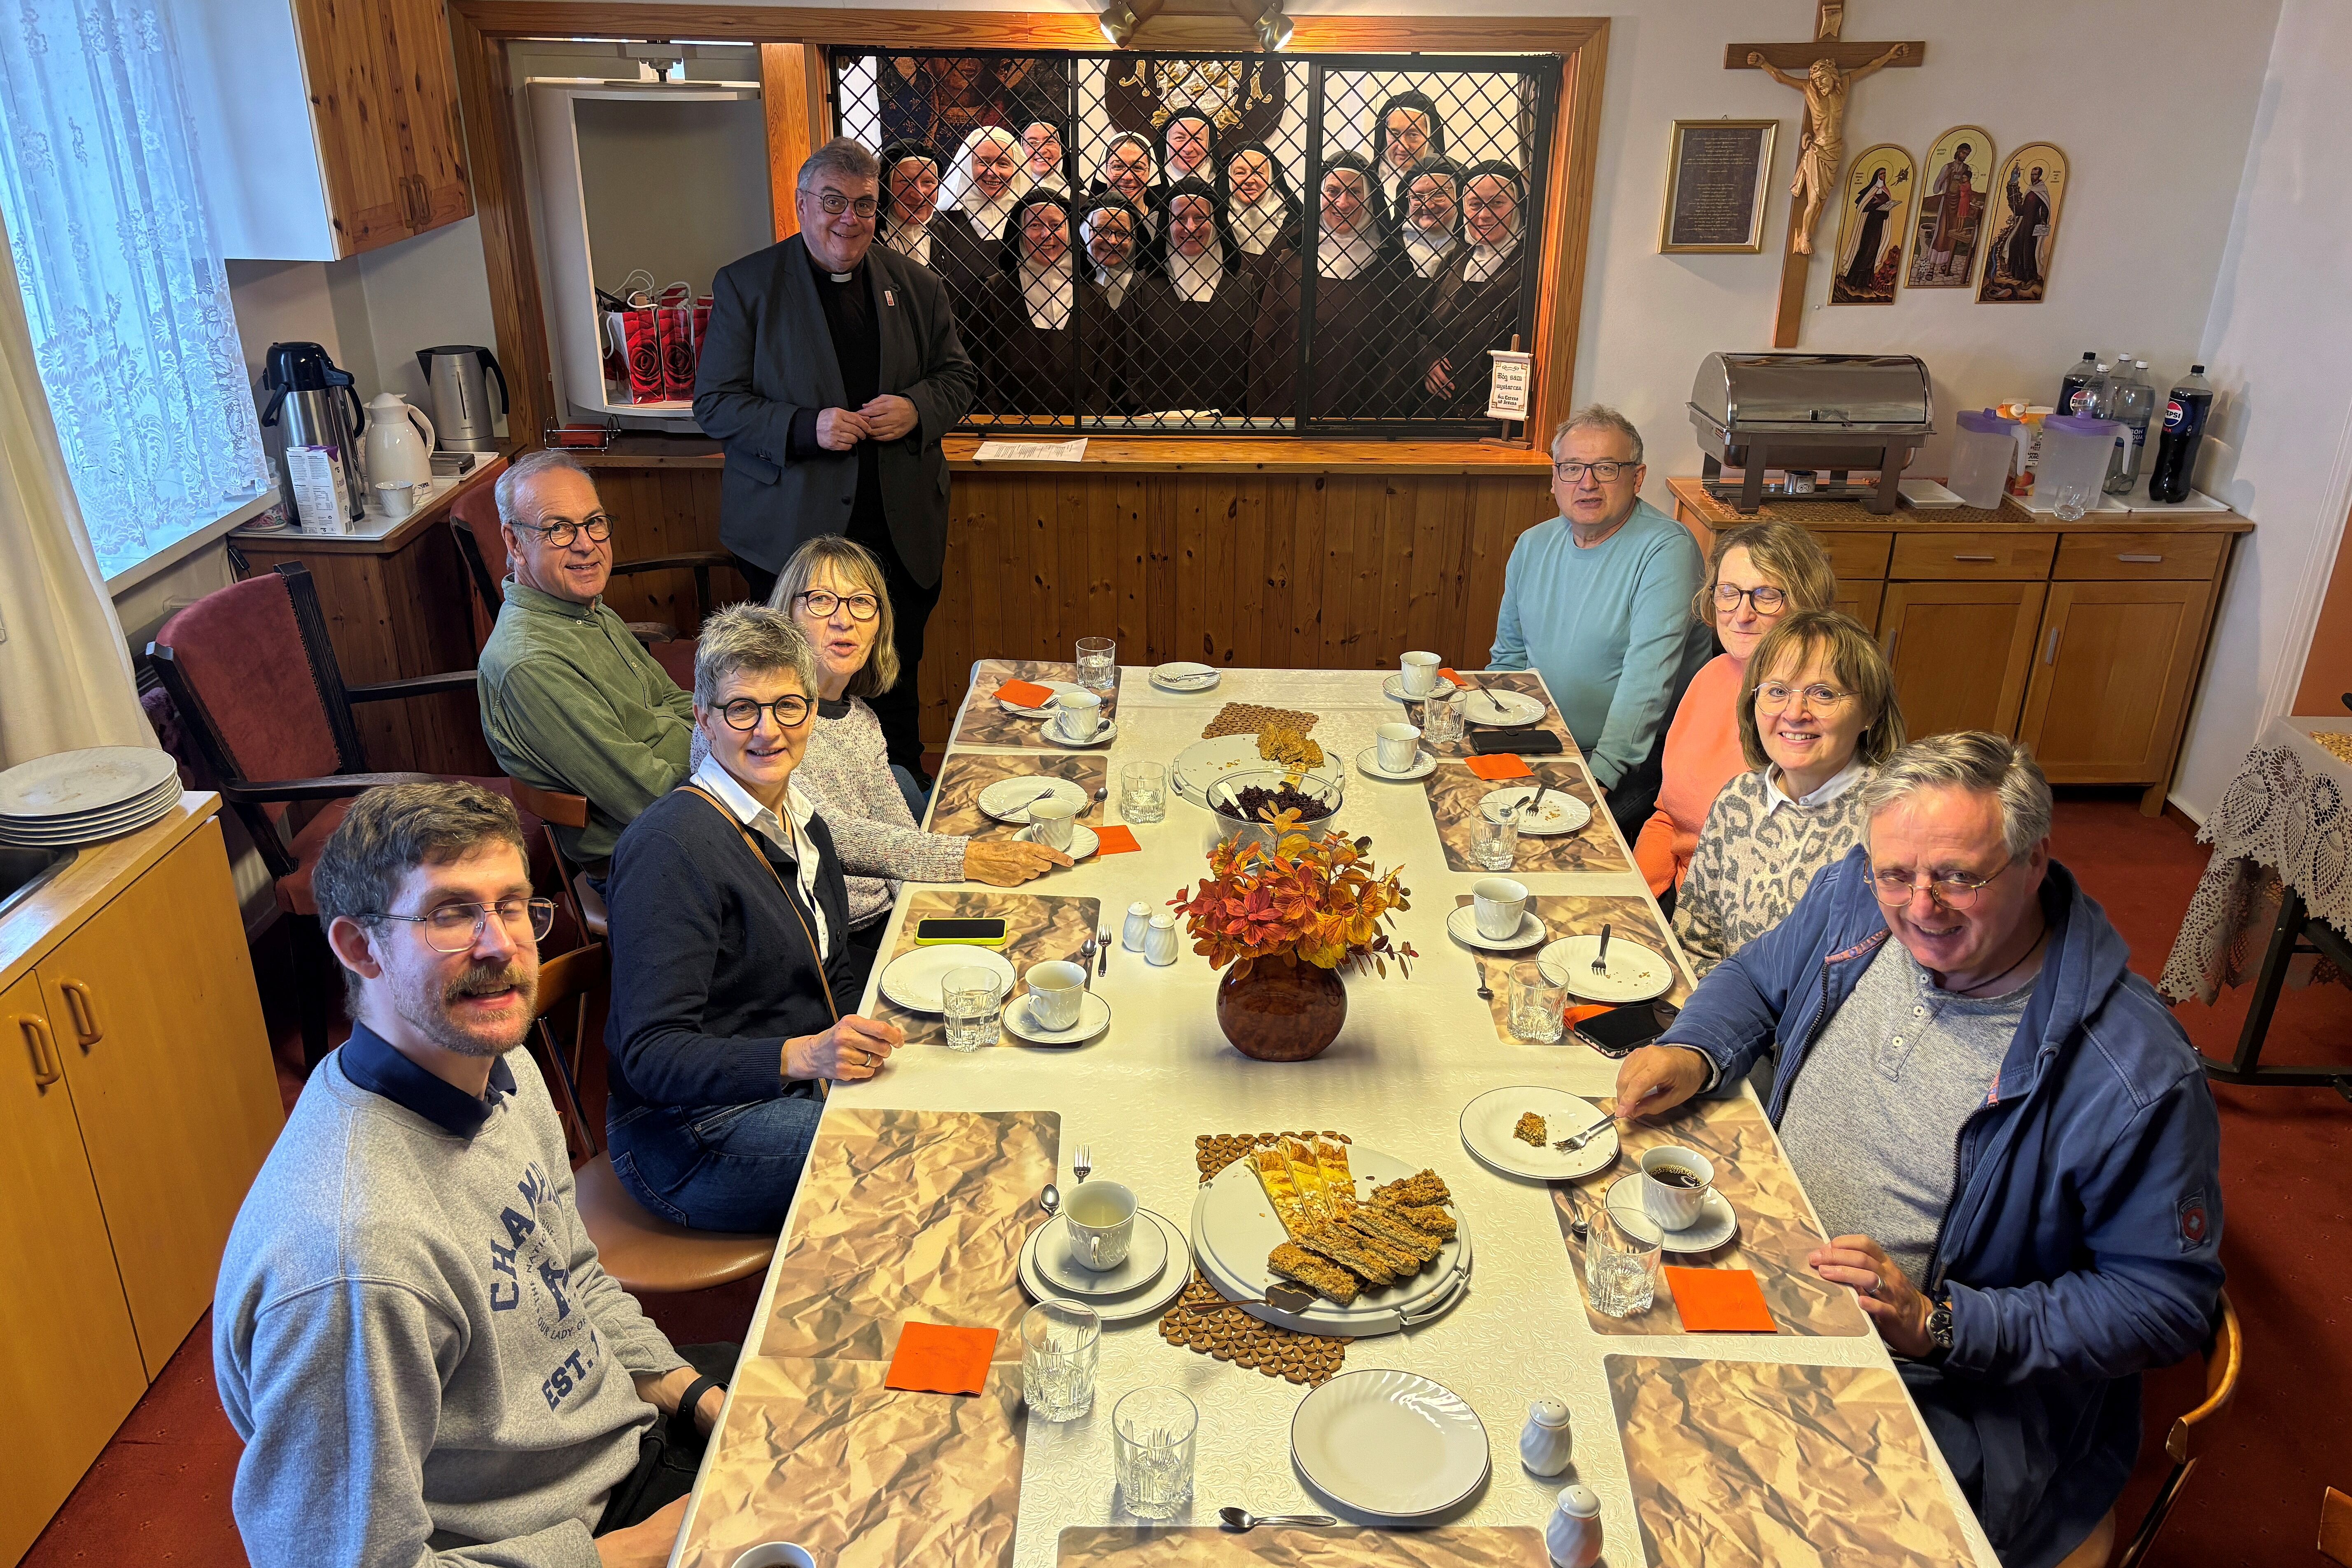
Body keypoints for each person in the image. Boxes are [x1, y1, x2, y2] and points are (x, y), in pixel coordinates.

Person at [1614, 733, 2224, 1568]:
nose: (1919, 905)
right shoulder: (1858, 897)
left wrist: (1943, 1321)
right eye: (1896, 872)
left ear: (2035, 861)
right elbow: (1758, 977)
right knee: (1598, 1391)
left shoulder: (2134, 1070)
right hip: (1758, 1263)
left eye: (1960, 876)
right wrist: (1696, 1050)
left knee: (1711, 1517)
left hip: (1944, 1383)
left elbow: (2164, 1300)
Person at [216, 781, 734, 1568]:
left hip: (622, 1429)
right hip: (573, 1537)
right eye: (450, 913)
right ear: (359, 948)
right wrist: (637, 1550)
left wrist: (691, 1392)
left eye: (515, 904)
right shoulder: (352, 1262)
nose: (500, 945)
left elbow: (572, 1272)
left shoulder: (497, 1060)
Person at [603, 606, 904, 1234]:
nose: (768, 730)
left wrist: (868, 1036)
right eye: (743, 709)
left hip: (786, 1090)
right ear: (704, 721)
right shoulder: (671, 848)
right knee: (906, 1157)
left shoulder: (804, 821)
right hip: (687, 1134)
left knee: (943, 1105)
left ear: (813, 715)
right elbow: (651, 1056)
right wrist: (805, 1056)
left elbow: (832, 977)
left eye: (788, 706)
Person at [693, 138, 976, 781]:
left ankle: (902, 794)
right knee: (791, 690)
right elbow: (714, 404)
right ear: (801, 205)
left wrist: (916, 409)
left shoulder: (919, 285)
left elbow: (959, 379)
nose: (849, 219)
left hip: (896, 533)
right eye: (833, 203)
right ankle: (801, 811)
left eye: (865, 205)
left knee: (895, 681)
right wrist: (803, 425)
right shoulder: (747, 286)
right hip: (790, 536)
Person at [770, 534, 1069, 975]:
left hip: (887, 922)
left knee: (1041, 925)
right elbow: (826, 831)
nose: (843, 620)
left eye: (861, 603)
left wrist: (919, 917)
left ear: (880, 624)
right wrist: (966, 860)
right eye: (820, 600)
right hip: (825, 945)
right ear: (786, 616)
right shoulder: (767, 721)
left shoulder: (861, 719)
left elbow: (897, 836)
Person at [1490, 407, 1710, 840]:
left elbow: (1648, 682)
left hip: (1635, 761)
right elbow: (1509, 659)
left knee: (1540, 844)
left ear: (1638, 477)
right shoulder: (1532, 545)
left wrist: (1598, 777)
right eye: (1572, 468)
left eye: (1605, 468)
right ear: (1554, 478)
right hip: (1546, 745)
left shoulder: (1667, 549)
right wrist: (1505, 743)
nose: (1586, 483)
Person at [476, 449, 693, 878]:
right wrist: (747, 788)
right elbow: (644, 796)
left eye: (594, 522)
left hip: (701, 790)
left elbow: (673, 699)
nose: (586, 544)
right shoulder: (530, 664)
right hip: (657, 853)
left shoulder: (581, 607)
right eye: (559, 529)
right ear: (515, 543)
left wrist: (737, 741)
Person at [1671, 610, 1905, 975]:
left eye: (1823, 694)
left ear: (1870, 713)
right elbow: (1695, 943)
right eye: (1777, 691)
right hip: (1722, 1017)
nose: (1795, 712)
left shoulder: (1891, 823)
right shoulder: (1737, 801)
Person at [1634, 519, 1836, 900]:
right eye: (1729, 592)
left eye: (1766, 595)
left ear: (1806, 601)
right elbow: (1668, 813)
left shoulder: (1813, 712)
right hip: (1677, 890)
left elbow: (1786, 881)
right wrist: (1630, 899)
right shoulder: (1713, 675)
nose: (1742, 614)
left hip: (1740, 911)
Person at [1248, 151, 1406, 420]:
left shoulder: (1390, 272)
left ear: (1370, 199)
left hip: (1359, 429)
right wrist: (1266, 422)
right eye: (1332, 191)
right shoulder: (1289, 263)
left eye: (1354, 192)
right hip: (1284, 421)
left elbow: (1395, 360)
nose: (1342, 203)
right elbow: (1263, 347)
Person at [1126, 177, 1255, 421]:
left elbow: (1252, 367)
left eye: (1200, 218)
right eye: (1180, 219)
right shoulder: (1143, 287)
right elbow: (1132, 366)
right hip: (1155, 429)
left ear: (1215, 222)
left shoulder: (1242, 287)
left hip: (1231, 430)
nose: (1190, 227)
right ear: (1167, 224)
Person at [1420, 159, 1527, 418]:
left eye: (1497, 203)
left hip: (1494, 418)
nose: (1484, 215)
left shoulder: (1530, 265)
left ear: (1519, 207)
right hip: (1430, 411)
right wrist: (1426, 359)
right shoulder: (1455, 259)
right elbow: (1417, 326)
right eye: (1475, 204)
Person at [974, 189, 1087, 414]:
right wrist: (1001, 424)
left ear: (1071, 232)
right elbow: (982, 368)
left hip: (1086, 429)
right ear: (1020, 232)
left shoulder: (1093, 296)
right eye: (1035, 225)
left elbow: (1106, 374)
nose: (1046, 234)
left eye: (1056, 225)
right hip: (1011, 431)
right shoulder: (996, 293)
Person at [878, 139, 991, 301]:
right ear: (886, 186)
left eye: (928, 182)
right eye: (906, 181)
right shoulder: (872, 237)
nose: (918, 194)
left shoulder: (940, 230)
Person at [1076, 193, 1146, 415]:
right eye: (1102, 231)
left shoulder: (1149, 290)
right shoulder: (1068, 287)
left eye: (1122, 233)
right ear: (1084, 234)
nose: (1112, 241)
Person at [1220, 139, 1299, 299]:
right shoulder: (1215, 225)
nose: (1249, 180)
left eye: (1258, 172)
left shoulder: (1296, 231)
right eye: (1240, 173)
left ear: (1272, 178)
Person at [938, 124, 1030, 259]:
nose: (993, 172)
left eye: (1003, 163)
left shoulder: (1028, 219)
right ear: (968, 166)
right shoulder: (943, 223)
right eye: (983, 162)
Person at [1371, 89, 1444, 226]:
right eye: (1395, 134)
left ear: (1430, 138)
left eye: (1413, 135)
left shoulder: (1451, 188)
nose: (1403, 147)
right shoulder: (1366, 187)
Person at [1395, 154, 1464, 285]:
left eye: (1438, 194)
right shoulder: (1391, 251)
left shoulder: (1474, 247)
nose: (1427, 205)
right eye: (1417, 197)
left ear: (1458, 197)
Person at [1916, 140, 1978, 283]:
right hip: (1947, 203)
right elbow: (1936, 189)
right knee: (1941, 233)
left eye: (1967, 154)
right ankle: (1931, 268)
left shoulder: (1967, 169)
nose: (1965, 156)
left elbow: (1967, 187)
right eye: (1963, 153)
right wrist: (1946, 176)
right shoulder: (1948, 167)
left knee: (1953, 234)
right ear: (1958, 151)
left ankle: (1945, 265)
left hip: (1959, 205)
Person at [1092, 132, 1160, 242]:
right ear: (1104, 171)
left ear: (1151, 173)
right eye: (1118, 167)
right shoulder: (1086, 222)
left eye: (1138, 167)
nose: (1128, 177)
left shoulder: (1163, 223)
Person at [1839, 166, 1895, 295]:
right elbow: (1863, 208)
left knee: (1873, 253)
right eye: (1881, 175)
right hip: (1869, 226)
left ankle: (1866, 282)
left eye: (1885, 175)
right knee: (1865, 251)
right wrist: (1874, 203)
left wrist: (1886, 208)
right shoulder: (1872, 191)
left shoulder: (1887, 192)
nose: (1883, 177)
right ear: (1877, 176)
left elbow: (1887, 214)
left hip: (1879, 226)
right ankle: (1853, 281)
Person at [1155, 110, 1217, 197]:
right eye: (1180, 138)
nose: (1188, 149)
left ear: (1209, 145)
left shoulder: (1227, 187)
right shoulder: (1148, 190)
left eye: (1197, 139)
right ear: (1166, 142)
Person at [1020, 118, 1071, 195]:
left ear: (1061, 149)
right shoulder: (1006, 203)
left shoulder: (1082, 203)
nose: (1041, 150)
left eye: (1050, 142)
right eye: (1032, 143)